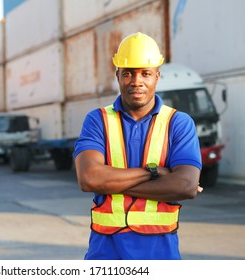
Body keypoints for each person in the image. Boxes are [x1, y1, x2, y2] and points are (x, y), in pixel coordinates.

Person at [74, 32, 203, 260]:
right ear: (117, 75)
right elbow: (89, 179)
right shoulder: (98, 120)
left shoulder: (178, 123)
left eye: (145, 74)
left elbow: (185, 186)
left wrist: (109, 183)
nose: (136, 82)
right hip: (105, 254)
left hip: (160, 256)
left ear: (157, 76)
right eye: (128, 74)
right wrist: (153, 173)